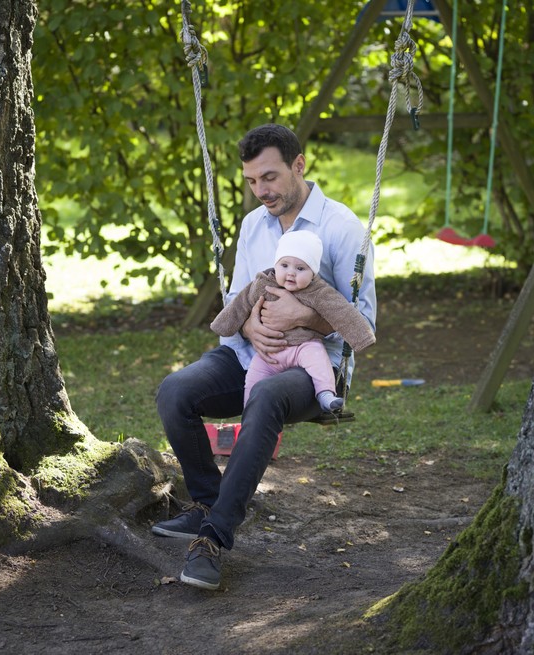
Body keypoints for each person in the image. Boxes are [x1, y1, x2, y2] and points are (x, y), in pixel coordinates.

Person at [152, 123, 376, 590]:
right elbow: (237, 297)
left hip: (312, 365)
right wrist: (252, 324)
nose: (261, 191)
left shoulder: (341, 226)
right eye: (252, 181)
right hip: (247, 352)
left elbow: (363, 318)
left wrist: (307, 317)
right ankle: (209, 503)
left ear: (299, 165)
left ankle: (213, 539)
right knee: (176, 391)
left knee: (268, 397)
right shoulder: (253, 224)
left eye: (270, 178)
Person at [210, 230, 375, 413]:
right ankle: (250, 411)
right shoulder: (263, 284)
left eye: (300, 268)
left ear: (312, 273)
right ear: (276, 265)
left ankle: (325, 394)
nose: (291, 273)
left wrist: (362, 337)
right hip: (269, 353)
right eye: (285, 265)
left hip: (303, 346)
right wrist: (222, 325)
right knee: (253, 379)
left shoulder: (318, 292)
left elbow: (342, 312)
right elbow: (240, 304)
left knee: (318, 360)